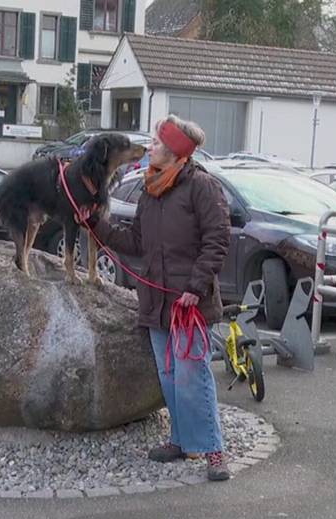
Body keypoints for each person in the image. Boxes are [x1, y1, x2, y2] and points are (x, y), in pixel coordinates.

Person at [88, 115, 232, 481]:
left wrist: (195, 287)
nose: (149, 148)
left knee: (193, 375)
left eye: (155, 143)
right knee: (169, 376)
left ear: (173, 151)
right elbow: (137, 241)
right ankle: (182, 441)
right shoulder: (151, 189)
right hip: (156, 301)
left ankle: (213, 451)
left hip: (189, 303)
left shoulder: (202, 187)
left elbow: (217, 241)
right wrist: (96, 224)